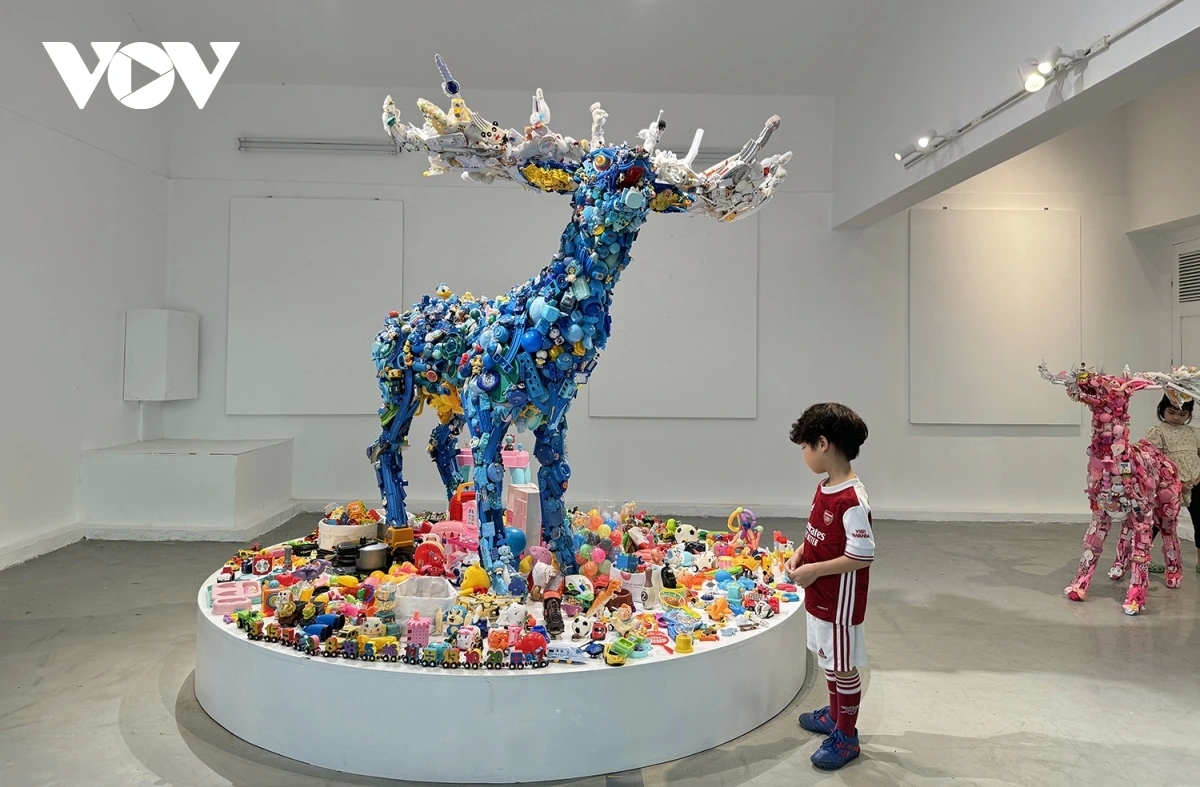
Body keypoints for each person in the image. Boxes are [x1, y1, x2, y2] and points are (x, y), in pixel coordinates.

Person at [784, 403, 874, 771]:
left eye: (805, 446)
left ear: (822, 444)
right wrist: (800, 554)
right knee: (830, 662)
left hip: (839, 603)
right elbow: (818, 535)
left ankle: (847, 737)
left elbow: (862, 555)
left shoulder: (851, 500)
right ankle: (835, 717)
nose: (804, 454)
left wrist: (815, 570)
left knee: (843, 668)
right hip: (820, 594)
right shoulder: (825, 488)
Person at [1144, 393, 1200, 573]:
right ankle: (1140, 558)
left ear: (1189, 414)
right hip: (1168, 486)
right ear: (1162, 410)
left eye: (1183, 414)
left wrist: (1198, 478)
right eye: (1171, 412)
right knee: (1156, 522)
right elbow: (1155, 461)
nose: (1176, 417)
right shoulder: (1158, 432)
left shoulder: (1195, 433)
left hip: (1196, 483)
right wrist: (1175, 482)